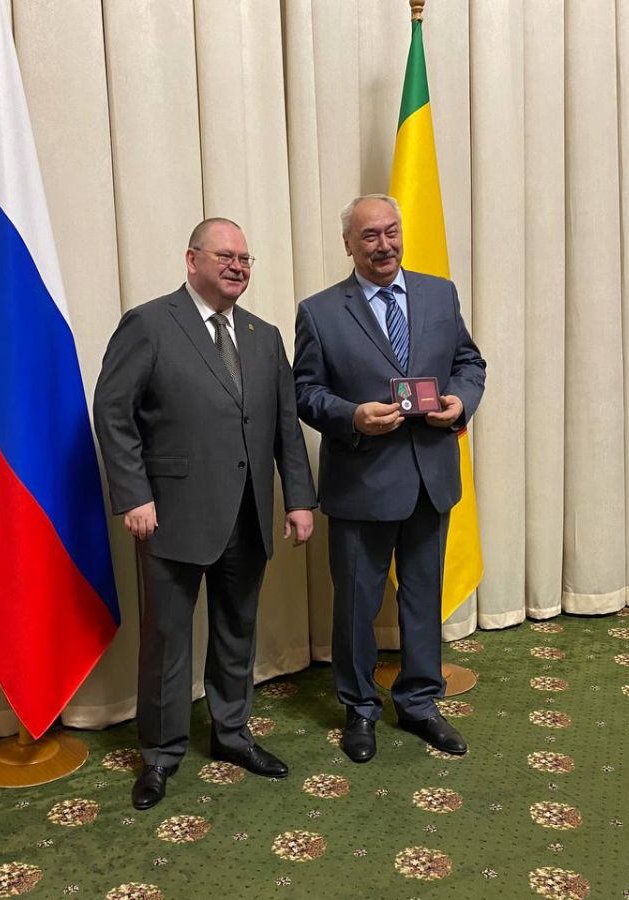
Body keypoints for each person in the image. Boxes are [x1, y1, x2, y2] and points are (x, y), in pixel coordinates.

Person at [94, 218, 316, 810]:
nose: (237, 266)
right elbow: (113, 411)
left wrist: (299, 499)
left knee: (237, 631)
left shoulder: (265, 336)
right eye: (225, 256)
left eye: (245, 258)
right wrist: (133, 494)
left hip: (248, 512)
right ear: (192, 260)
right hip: (171, 515)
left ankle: (232, 734)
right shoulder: (149, 323)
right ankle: (160, 754)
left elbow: (284, 425)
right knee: (167, 639)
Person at [292, 194, 486, 763]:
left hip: (431, 477)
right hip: (362, 483)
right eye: (370, 236)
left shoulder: (439, 294)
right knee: (357, 603)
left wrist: (460, 402)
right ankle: (360, 709)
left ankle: (421, 703)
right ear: (348, 245)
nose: (384, 245)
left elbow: (469, 363)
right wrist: (352, 416)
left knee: (424, 598)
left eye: (391, 232)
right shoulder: (319, 312)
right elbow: (304, 391)